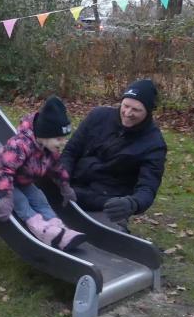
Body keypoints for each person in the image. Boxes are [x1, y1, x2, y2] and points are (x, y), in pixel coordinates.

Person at [60, 79, 167, 231]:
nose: (128, 113)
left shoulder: (154, 144)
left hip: (105, 202)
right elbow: (70, 152)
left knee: (106, 235)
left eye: (136, 110)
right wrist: (62, 177)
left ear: (148, 111)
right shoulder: (97, 117)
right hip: (69, 188)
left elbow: (148, 188)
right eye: (126, 106)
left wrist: (132, 203)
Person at [0, 96, 86, 252]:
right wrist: (6, 197)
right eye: (58, 139)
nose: (62, 142)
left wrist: (65, 186)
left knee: (39, 198)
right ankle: (42, 230)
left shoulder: (49, 148)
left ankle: (58, 227)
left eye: (64, 138)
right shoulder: (20, 145)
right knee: (21, 201)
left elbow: (57, 167)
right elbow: (4, 169)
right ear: (44, 135)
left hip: (22, 179)